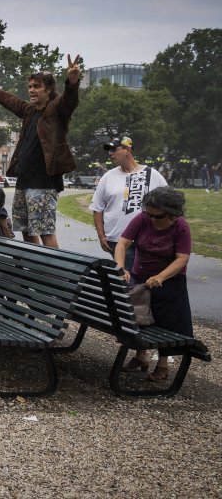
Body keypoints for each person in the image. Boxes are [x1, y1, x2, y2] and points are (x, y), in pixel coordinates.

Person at [0, 55, 83, 248]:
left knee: (44, 231)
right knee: (25, 229)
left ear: (49, 89)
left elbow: (70, 100)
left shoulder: (57, 109)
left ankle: (54, 273)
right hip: (24, 181)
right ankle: (35, 269)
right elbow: (11, 101)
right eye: (30, 87)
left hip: (43, 183)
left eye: (37, 86)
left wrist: (73, 81)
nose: (32, 90)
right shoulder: (29, 111)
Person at [115, 187, 192, 382]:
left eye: (157, 216)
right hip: (141, 277)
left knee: (166, 323)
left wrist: (161, 276)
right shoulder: (143, 218)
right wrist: (121, 267)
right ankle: (141, 357)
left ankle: (163, 365)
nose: (152, 219)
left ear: (173, 214)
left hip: (170, 283)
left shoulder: (181, 227)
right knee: (140, 316)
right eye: (149, 214)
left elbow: (182, 259)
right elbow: (122, 243)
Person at [90, 136, 167, 271]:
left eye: (114, 149)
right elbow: (97, 208)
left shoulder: (152, 174)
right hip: (116, 240)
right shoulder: (108, 177)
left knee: (139, 280)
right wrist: (101, 236)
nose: (110, 153)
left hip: (147, 239)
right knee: (129, 280)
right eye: (109, 150)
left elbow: (169, 204)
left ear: (127, 149)